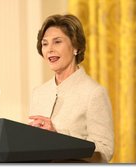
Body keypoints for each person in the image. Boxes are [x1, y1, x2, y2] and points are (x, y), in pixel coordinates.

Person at [28, 14, 114, 163]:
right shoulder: (38, 93)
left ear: (76, 46)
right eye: (45, 44)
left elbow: (104, 152)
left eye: (57, 42)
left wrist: (58, 137)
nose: (50, 49)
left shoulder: (94, 93)